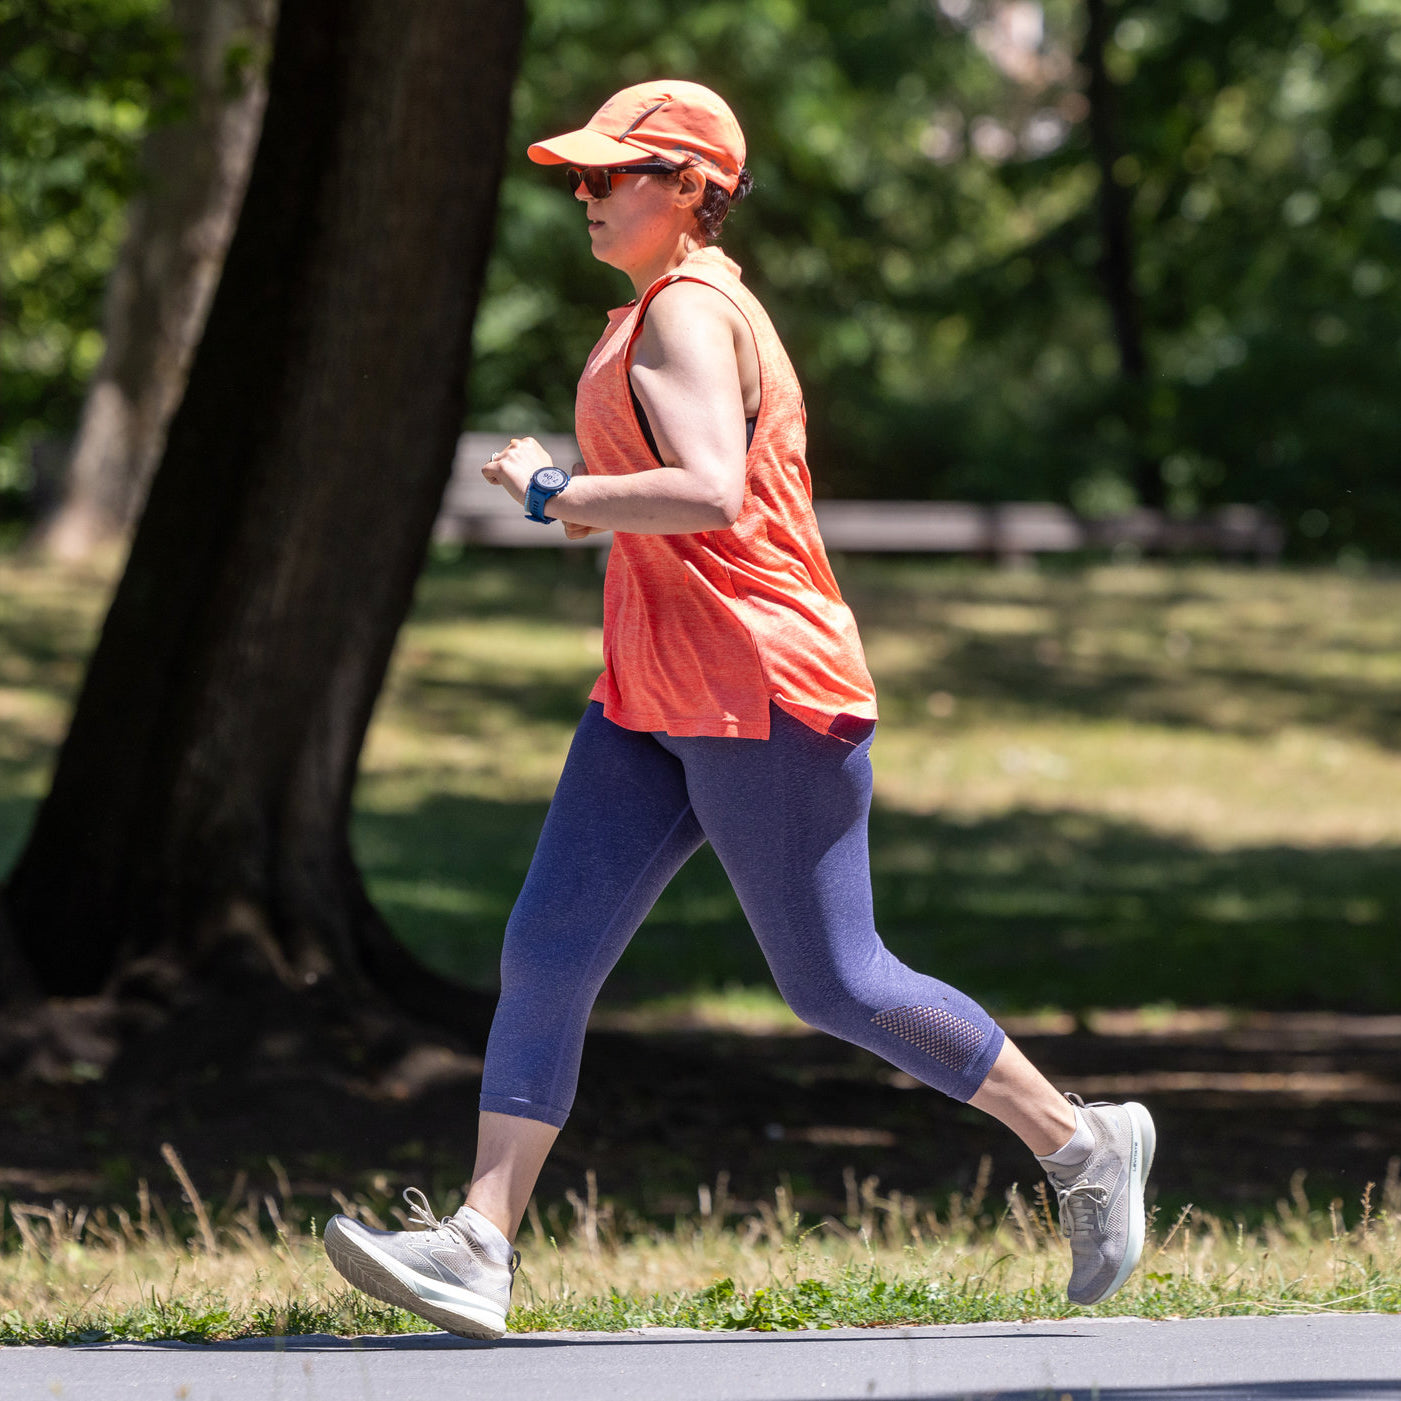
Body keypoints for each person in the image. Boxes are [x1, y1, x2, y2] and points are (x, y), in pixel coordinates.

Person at [323, 80, 1155, 1339]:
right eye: (581, 180)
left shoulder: (696, 312)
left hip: (760, 685)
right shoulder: (658, 309)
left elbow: (711, 491)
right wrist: (582, 493)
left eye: (613, 176)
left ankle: (1083, 1142)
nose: (587, 195)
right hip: (653, 691)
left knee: (838, 982)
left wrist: (558, 491)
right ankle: (479, 1245)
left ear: (692, 188)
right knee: (546, 950)